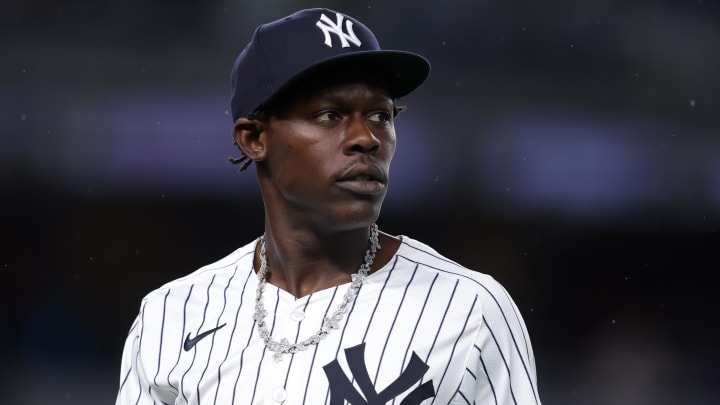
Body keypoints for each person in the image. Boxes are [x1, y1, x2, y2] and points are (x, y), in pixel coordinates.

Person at [115, 7, 541, 405]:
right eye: (329, 115)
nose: (367, 138)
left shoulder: (468, 308)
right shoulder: (171, 314)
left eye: (380, 115)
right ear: (254, 138)